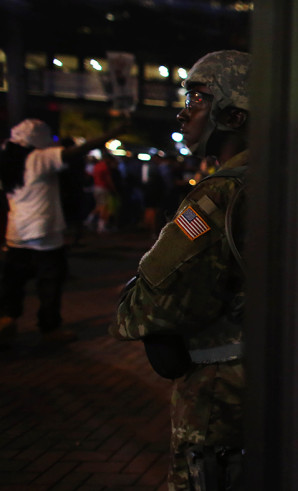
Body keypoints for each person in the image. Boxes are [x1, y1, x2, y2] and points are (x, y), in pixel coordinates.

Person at [110, 50, 253, 490]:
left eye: (196, 100)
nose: (184, 114)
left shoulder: (218, 197)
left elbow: (139, 311)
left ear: (233, 112)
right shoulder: (284, 184)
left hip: (219, 395)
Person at [0, 118, 128, 347]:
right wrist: (113, 133)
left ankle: (8, 319)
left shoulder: (9, 158)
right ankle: (50, 328)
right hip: (44, 232)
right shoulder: (39, 158)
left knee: (13, 281)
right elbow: (78, 151)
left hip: (16, 231)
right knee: (50, 283)